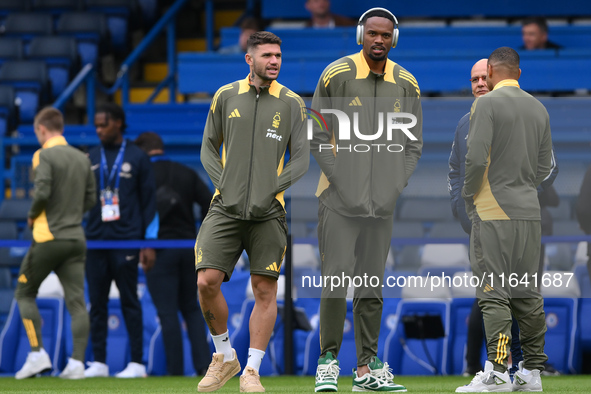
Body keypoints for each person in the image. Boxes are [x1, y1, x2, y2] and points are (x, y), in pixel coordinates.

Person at [310, 7, 422, 392]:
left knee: (371, 286)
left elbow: (413, 146)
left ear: (394, 38)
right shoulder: (336, 74)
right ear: (361, 35)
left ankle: (365, 370)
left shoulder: (407, 83)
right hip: (338, 201)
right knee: (336, 280)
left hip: (381, 205)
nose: (379, 40)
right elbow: (318, 135)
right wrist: (344, 183)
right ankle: (327, 362)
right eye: (372, 33)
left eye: (385, 35)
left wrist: (393, 186)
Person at [196, 31, 309, 392]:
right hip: (224, 208)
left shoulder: (292, 103)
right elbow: (208, 149)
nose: (274, 61)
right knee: (205, 281)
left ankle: (252, 370)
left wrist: (271, 188)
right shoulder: (226, 95)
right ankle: (225, 355)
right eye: (267, 55)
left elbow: (302, 161)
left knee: (264, 290)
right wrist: (224, 184)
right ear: (250, 59)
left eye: (278, 55)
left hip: (269, 213)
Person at [449, 59, 559, 379]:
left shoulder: (498, 109)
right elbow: (545, 168)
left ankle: (499, 371)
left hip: (498, 213)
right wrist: (466, 207)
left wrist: (477, 194)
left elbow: (471, 166)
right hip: (516, 215)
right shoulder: (535, 108)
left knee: (495, 294)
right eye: (474, 79)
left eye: (485, 77)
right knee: (520, 294)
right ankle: (529, 371)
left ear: (495, 76)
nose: (480, 83)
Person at [13, 107, 96, 380]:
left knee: (24, 293)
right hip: (76, 238)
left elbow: (43, 191)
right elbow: (91, 200)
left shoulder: (43, 155)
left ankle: (37, 354)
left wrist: (32, 214)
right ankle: (77, 364)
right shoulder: (81, 158)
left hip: (48, 238)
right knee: (77, 302)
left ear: (41, 129)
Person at [84, 103, 158, 378]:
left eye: (103, 124)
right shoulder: (90, 156)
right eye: (96, 125)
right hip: (95, 241)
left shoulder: (138, 157)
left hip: (127, 240)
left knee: (130, 302)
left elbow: (150, 202)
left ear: (118, 123)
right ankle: (100, 362)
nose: (98, 129)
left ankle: (137, 363)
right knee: (97, 304)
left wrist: (148, 242)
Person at [134, 131, 212, 376]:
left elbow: (135, 214)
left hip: (157, 250)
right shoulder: (186, 172)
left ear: (142, 152)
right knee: (192, 309)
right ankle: (203, 367)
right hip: (189, 248)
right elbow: (211, 203)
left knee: (167, 313)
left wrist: (143, 245)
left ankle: (175, 371)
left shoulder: (142, 176)